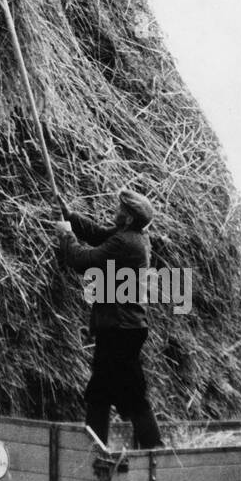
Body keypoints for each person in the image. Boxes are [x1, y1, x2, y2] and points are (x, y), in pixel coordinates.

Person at [55, 188, 164, 450]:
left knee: (121, 395)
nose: (116, 213)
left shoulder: (126, 243)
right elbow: (96, 234)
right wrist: (69, 215)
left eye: (120, 211)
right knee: (105, 393)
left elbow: (82, 260)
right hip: (122, 327)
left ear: (127, 219)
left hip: (120, 329)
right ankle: (104, 449)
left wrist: (65, 234)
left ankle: (149, 449)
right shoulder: (132, 237)